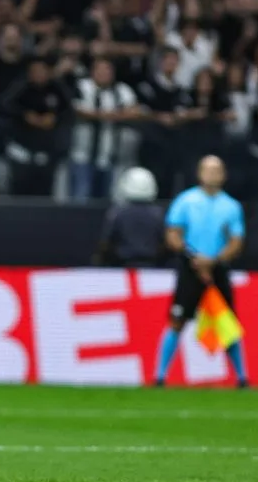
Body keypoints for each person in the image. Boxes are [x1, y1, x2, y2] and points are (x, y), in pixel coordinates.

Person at [154, 156, 248, 388]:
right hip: (190, 267)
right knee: (177, 319)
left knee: (227, 323)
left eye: (217, 170)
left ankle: (242, 377)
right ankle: (160, 376)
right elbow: (173, 234)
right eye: (208, 170)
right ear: (199, 173)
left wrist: (214, 260)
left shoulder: (231, 206)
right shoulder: (185, 201)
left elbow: (236, 241)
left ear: (224, 175)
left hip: (217, 268)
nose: (212, 174)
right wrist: (193, 257)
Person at [94, 166, 165, 267]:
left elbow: (106, 243)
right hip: (152, 266)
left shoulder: (117, 212)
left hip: (122, 265)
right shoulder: (158, 214)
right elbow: (164, 243)